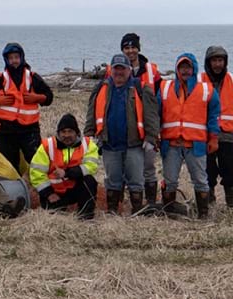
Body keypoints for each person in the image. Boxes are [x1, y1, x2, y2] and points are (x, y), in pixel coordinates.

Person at [85, 54, 160, 215]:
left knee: (136, 181)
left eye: (123, 69)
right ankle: (113, 212)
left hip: (134, 144)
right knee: (112, 181)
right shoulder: (101, 88)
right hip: (109, 144)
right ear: (111, 70)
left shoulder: (141, 87)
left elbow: (152, 115)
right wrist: (89, 135)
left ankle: (137, 212)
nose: (119, 72)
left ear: (129, 70)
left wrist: (151, 138)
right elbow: (91, 113)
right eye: (116, 68)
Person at [158, 53, 219, 219]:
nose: (185, 70)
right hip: (171, 144)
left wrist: (213, 138)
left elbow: (214, 117)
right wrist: (154, 136)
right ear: (177, 69)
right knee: (170, 180)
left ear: (194, 68)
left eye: (188, 67)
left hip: (196, 145)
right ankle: (169, 213)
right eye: (181, 67)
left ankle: (203, 216)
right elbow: (156, 114)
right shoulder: (165, 88)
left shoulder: (206, 90)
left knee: (200, 180)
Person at [0, 42, 54, 174]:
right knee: (9, 165)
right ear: (6, 60)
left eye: (16, 57)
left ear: (21, 58)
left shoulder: (33, 78)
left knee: (36, 161)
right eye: (11, 58)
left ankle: (42, 188)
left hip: (29, 129)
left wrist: (37, 98)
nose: (14, 61)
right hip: (6, 130)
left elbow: (49, 97)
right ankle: (14, 190)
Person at [117, 33, 162, 205]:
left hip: (148, 126)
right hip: (125, 126)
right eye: (126, 48)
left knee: (149, 166)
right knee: (122, 166)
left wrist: (156, 127)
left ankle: (150, 203)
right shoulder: (114, 69)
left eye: (133, 47)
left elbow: (161, 97)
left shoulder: (152, 71)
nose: (130, 51)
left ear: (139, 49)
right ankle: (121, 203)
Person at [29, 114, 99, 219]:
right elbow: (36, 172)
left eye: (70, 131)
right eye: (63, 132)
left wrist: (67, 173)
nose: (66, 135)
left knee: (89, 181)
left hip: (75, 189)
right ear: (58, 133)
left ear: (77, 133)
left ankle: (86, 217)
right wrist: (48, 193)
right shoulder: (47, 145)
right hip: (54, 191)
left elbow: (91, 167)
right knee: (52, 216)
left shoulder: (88, 144)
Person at [200, 45, 233, 208]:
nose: (218, 64)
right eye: (214, 60)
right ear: (208, 62)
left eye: (220, 60)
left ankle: (231, 203)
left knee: (230, 170)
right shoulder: (199, 81)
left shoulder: (232, 80)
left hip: (229, 134)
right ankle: (208, 202)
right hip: (205, 135)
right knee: (207, 171)